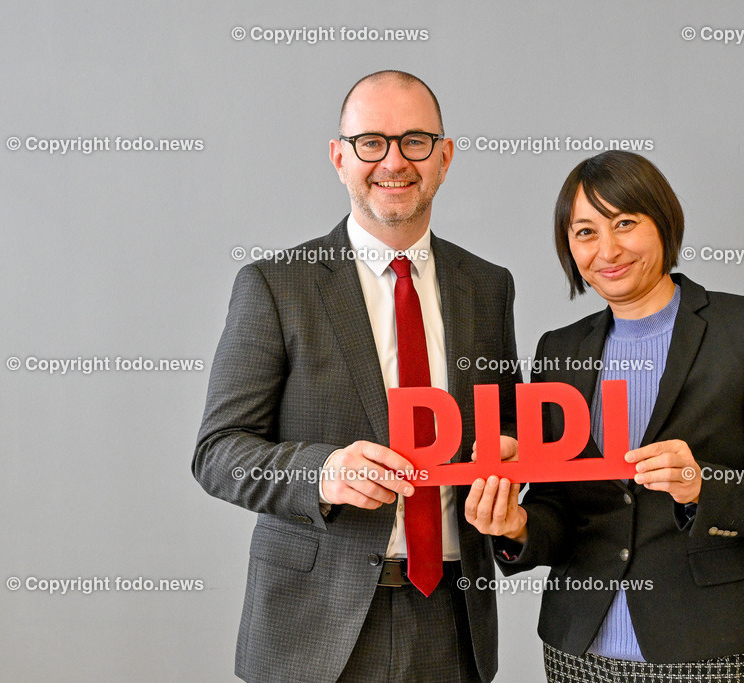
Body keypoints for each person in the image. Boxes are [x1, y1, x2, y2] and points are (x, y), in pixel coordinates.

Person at [194, 70, 519, 682]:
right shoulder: (276, 285)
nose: (393, 161)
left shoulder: (487, 286)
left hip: (453, 619)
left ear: (445, 158)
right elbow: (217, 455)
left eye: (415, 141)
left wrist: (508, 453)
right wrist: (323, 473)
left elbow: (505, 426)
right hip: (315, 628)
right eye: (371, 142)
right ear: (339, 158)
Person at [465, 150, 744, 682]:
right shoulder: (557, 350)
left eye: (625, 223)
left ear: (663, 222)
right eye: (584, 232)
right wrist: (518, 528)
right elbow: (557, 505)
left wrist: (702, 487)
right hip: (578, 649)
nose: (606, 249)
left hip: (712, 647)